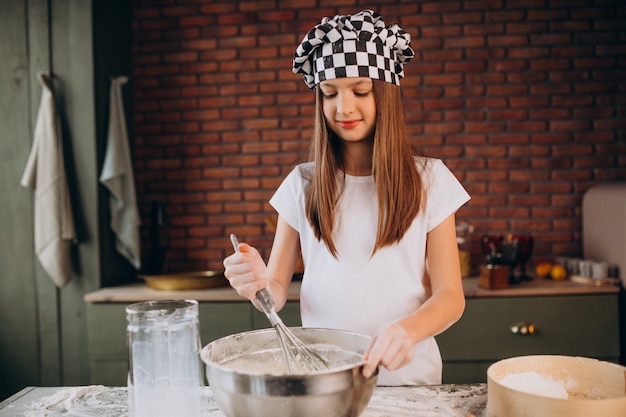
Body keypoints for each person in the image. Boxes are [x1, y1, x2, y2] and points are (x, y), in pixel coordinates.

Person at [223, 9, 470, 386]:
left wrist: (407, 330)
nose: (344, 108)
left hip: (409, 381)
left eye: (360, 91)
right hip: (326, 381)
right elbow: (272, 291)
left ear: (385, 94)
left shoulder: (430, 179)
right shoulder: (300, 184)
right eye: (329, 94)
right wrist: (252, 280)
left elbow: (451, 296)